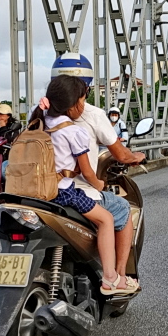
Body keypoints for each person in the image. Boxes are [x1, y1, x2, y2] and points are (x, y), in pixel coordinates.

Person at [42, 53, 145, 287]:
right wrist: (134, 157)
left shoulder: (38, 112)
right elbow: (119, 155)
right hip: (71, 189)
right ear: (83, 91)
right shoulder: (90, 116)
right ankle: (117, 276)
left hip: (38, 189)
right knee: (121, 209)